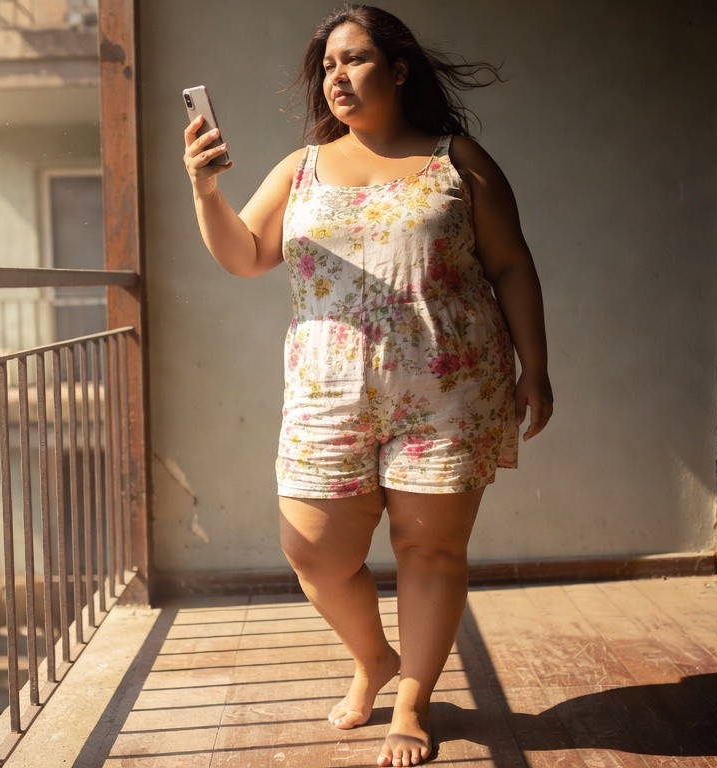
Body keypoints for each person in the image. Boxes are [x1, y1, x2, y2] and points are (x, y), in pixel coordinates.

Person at [181, 5, 553, 765]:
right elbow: (247, 255)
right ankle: (374, 659)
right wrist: (203, 190)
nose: (336, 77)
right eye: (327, 66)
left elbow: (512, 263)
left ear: (399, 68)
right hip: (329, 395)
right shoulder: (302, 167)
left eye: (352, 60)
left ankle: (410, 704)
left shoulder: (458, 159)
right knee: (313, 551)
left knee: (431, 554)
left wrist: (535, 367)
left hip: (449, 393)